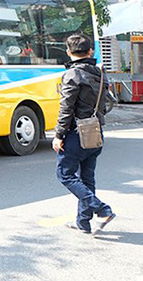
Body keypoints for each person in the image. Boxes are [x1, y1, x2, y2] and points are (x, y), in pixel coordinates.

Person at [52, 33, 115, 234]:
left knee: (65, 174)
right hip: (95, 131)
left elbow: (66, 108)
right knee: (87, 177)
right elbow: (105, 104)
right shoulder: (101, 73)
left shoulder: (72, 75)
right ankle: (83, 221)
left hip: (76, 133)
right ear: (91, 51)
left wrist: (59, 134)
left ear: (69, 52)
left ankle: (102, 209)